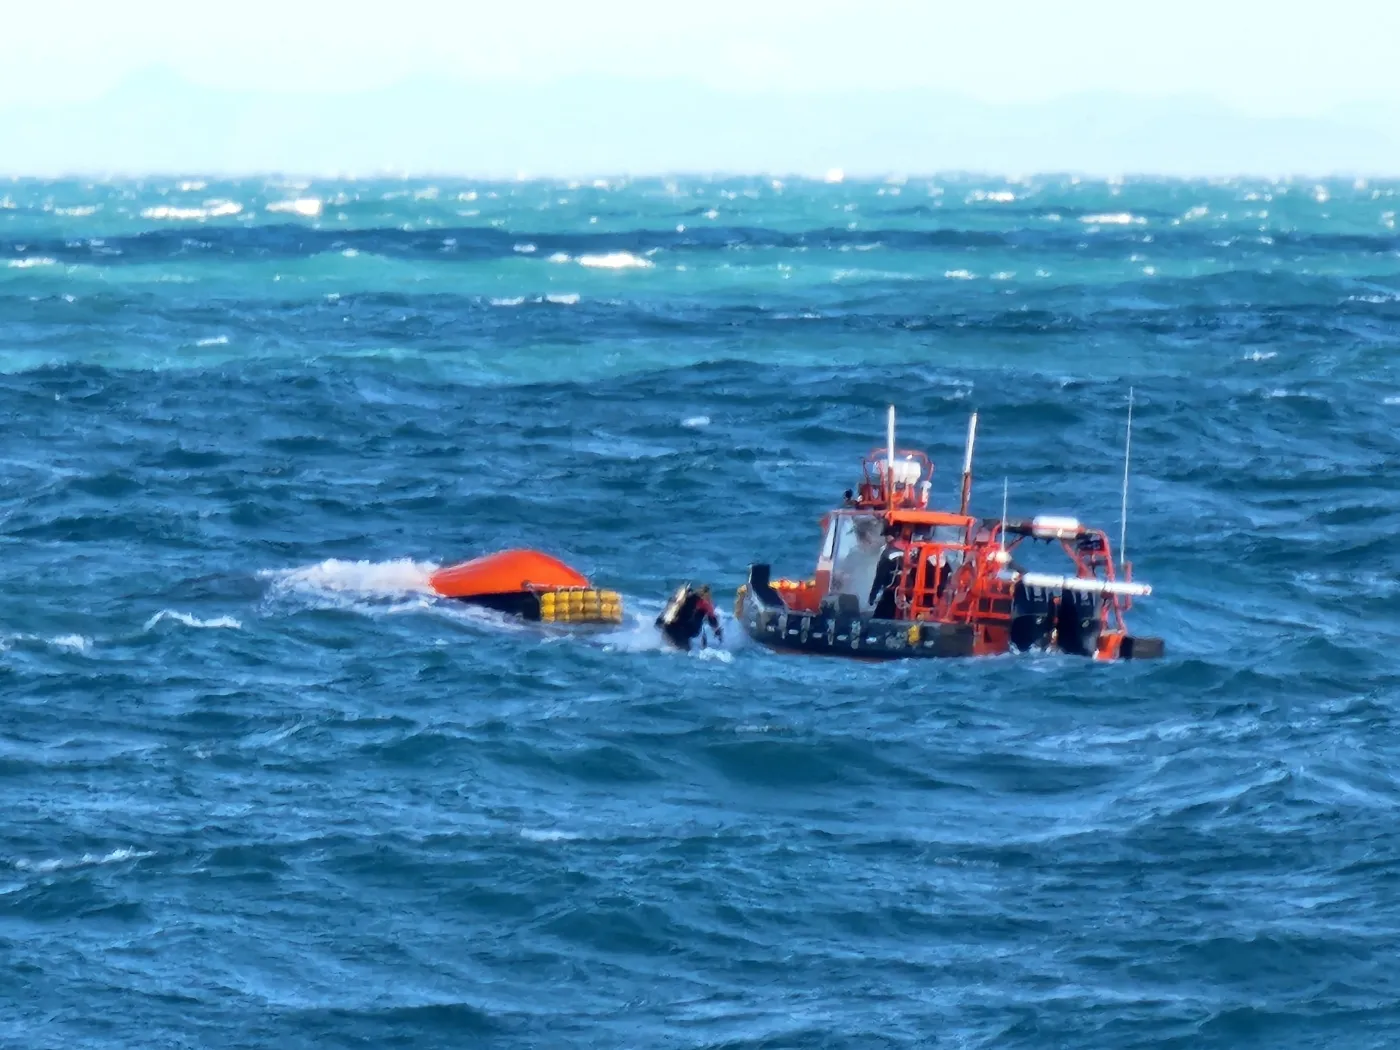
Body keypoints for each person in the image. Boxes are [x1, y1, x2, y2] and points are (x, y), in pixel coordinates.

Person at [656, 583, 723, 651]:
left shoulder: (679, 600)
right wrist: (718, 633)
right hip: (680, 632)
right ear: (706, 594)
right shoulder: (703, 602)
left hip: (667, 628)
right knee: (684, 651)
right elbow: (712, 620)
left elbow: (659, 623)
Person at [868, 523, 907, 619]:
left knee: (879, 619)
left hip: (891, 594)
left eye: (887, 536)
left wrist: (873, 595)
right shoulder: (913, 550)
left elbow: (880, 576)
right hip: (908, 595)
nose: (885, 539)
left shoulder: (888, 553)